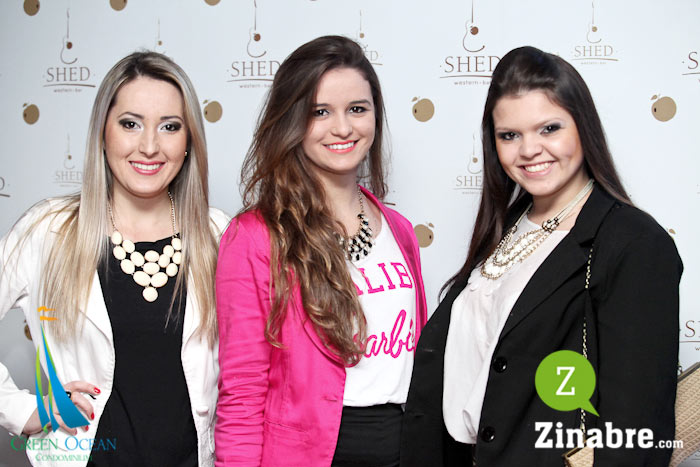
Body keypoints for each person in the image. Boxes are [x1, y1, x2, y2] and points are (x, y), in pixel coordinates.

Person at [401, 46, 682, 466]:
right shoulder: (507, 226)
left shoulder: (634, 243)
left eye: (549, 128)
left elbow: (636, 428)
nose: (529, 149)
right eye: (509, 135)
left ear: (583, 128)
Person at [0, 51, 229, 466]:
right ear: (103, 133)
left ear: (189, 141)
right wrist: (23, 411)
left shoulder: (218, 234)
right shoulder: (48, 229)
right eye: (130, 124)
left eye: (170, 127)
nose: (149, 146)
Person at [215, 35, 427, 467]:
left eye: (357, 109)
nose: (343, 128)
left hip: (405, 449)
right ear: (292, 121)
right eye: (320, 112)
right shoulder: (255, 236)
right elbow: (242, 392)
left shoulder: (400, 230)